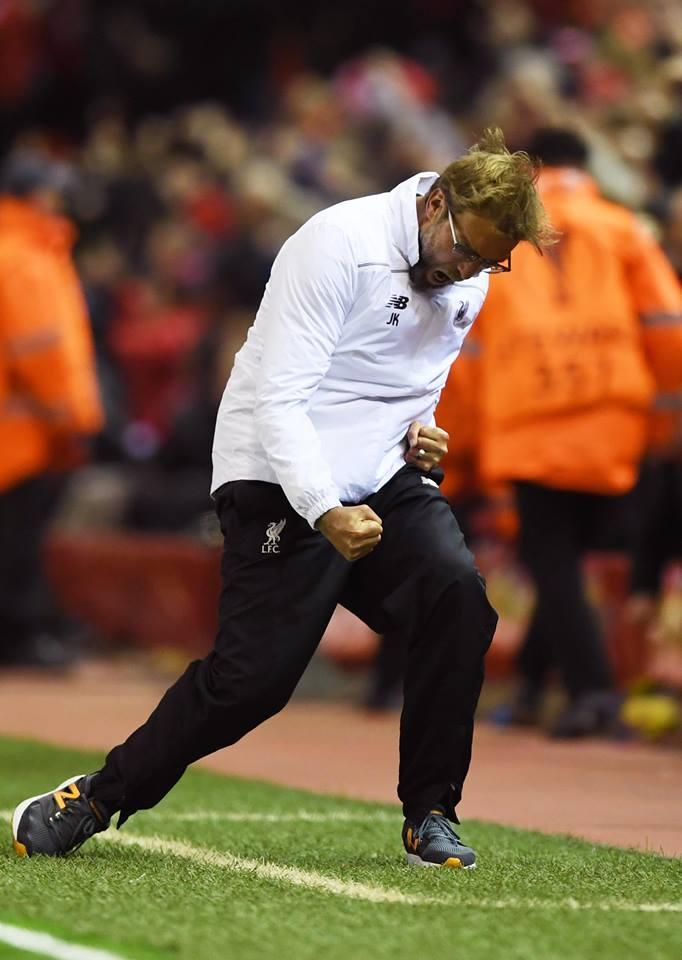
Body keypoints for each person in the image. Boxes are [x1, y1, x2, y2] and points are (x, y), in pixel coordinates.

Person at [12, 129, 551, 869]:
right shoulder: (336, 243)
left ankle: (431, 810)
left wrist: (422, 432)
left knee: (457, 598)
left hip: (381, 476)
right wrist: (324, 508)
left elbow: (412, 380)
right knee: (250, 685)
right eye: (466, 251)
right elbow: (280, 398)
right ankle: (95, 797)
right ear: (434, 205)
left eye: (489, 262)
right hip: (276, 473)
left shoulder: (471, 273)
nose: (469, 271)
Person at [463, 128, 682, 737]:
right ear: (586, 167)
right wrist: (664, 422)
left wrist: (466, 444)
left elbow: (467, 349)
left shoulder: (497, 231)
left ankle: (592, 691)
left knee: (552, 560)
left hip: (526, 421)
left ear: (523, 169)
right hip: (615, 419)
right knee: (563, 559)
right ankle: (534, 685)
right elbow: (668, 324)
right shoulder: (625, 227)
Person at [0, 150, 104, 667]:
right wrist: (72, 418)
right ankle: (20, 637)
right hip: (27, 432)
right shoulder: (24, 255)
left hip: (21, 427)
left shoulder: (22, 247)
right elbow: (39, 348)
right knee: (18, 541)